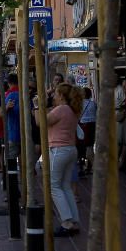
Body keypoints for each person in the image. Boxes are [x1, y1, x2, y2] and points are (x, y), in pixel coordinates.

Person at [47, 83, 84, 236]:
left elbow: (41, 121)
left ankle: (66, 221)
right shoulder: (72, 110)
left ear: (61, 95)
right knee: (66, 186)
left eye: (55, 93)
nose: (54, 96)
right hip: (70, 149)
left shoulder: (61, 109)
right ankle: (74, 221)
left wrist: (37, 105)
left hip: (59, 150)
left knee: (54, 186)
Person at [78, 87, 97, 174]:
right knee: (90, 146)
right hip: (93, 125)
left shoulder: (80, 103)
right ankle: (89, 167)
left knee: (87, 147)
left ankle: (95, 167)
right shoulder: (93, 103)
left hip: (84, 126)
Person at [4, 74, 21, 167]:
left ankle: (12, 181)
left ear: (9, 83)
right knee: (24, 162)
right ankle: (24, 180)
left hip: (13, 134)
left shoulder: (10, 95)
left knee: (11, 162)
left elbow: (2, 114)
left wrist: (6, 108)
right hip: (26, 135)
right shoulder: (24, 93)